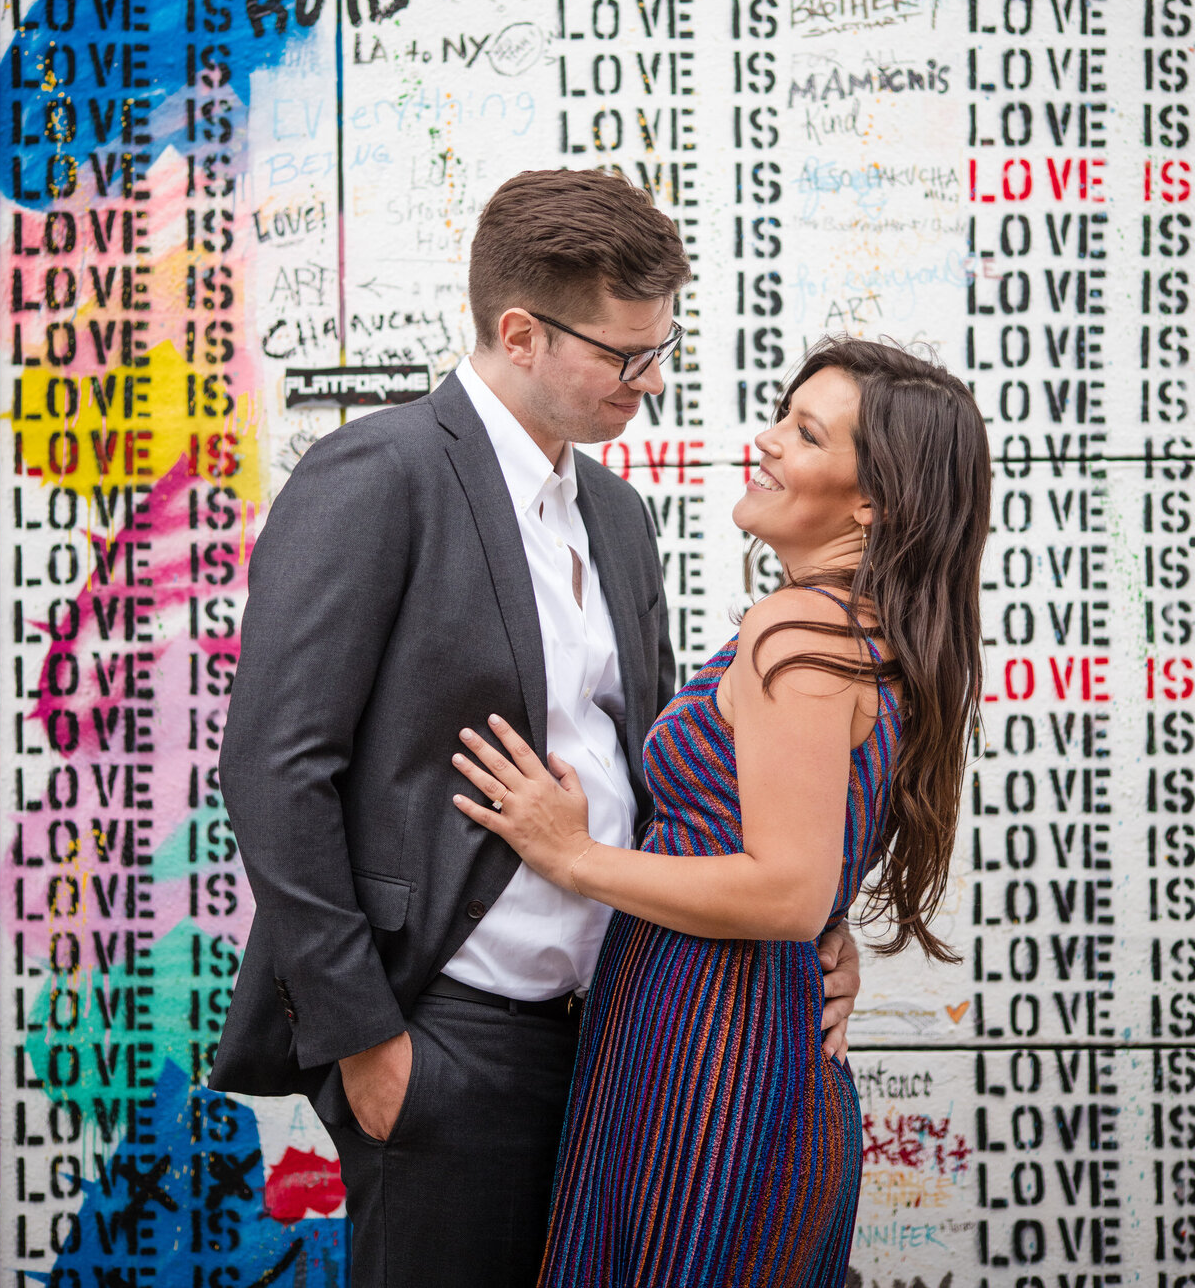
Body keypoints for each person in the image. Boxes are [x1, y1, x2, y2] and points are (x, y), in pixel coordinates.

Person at [210, 169, 862, 1288]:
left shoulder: (616, 511)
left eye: (660, 348)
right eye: (626, 355)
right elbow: (275, 771)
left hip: (618, 1043)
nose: (649, 382)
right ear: (520, 332)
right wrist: (368, 1040)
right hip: (446, 1046)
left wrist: (803, 929)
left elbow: (653, 775)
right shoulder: (381, 473)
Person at [452, 336, 991, 1288]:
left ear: (873, 501)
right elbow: (808, 869)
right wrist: (827, 929)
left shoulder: (803, 629)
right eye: (783, 416)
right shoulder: (865, 631)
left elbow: (785, 889)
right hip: (739, 1036)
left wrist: (571, 856)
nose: (768, 441)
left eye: (805, 433)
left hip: (714, 1054)